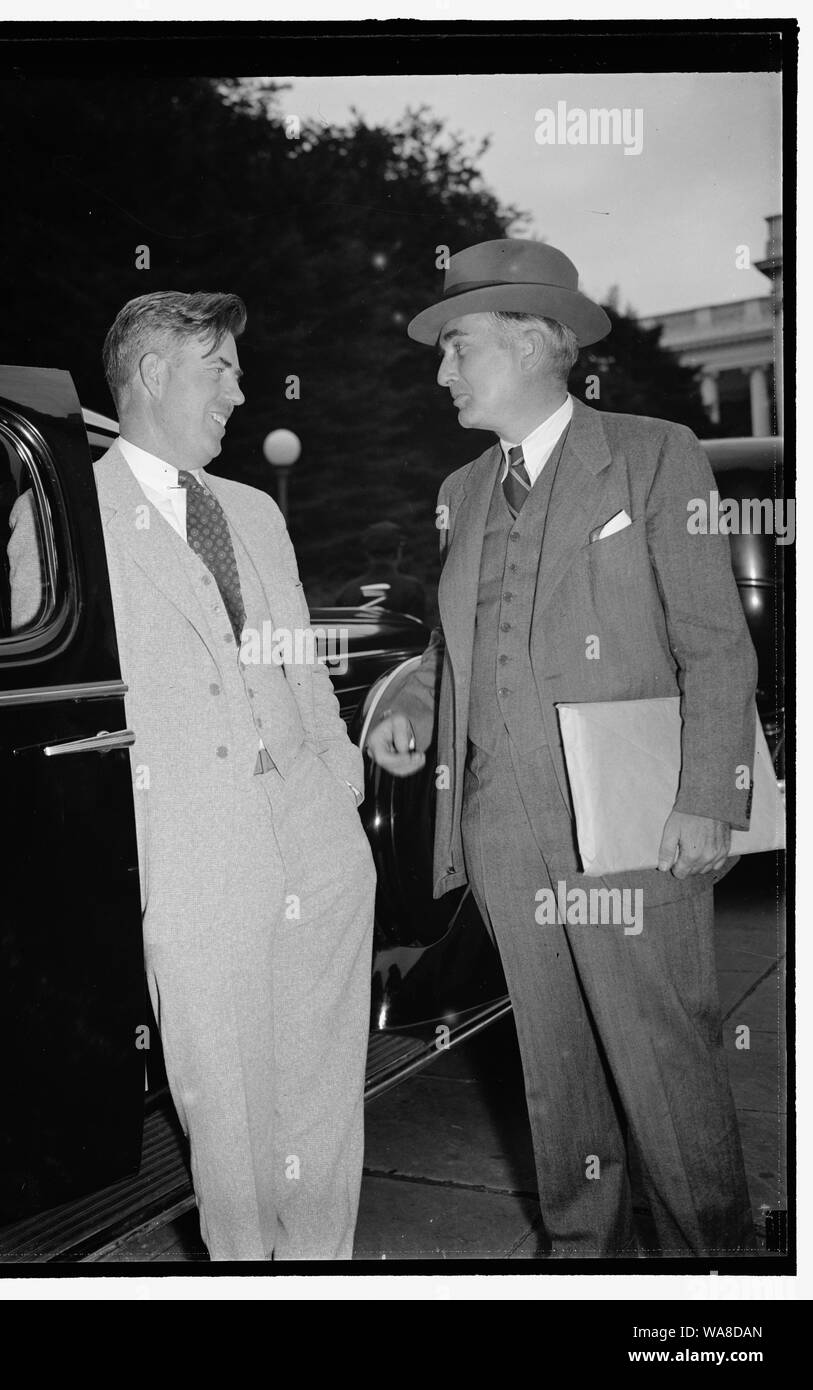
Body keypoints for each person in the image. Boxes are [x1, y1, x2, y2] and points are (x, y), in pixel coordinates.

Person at [367, 238, 758, 1257]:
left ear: (538, 341)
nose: (440, 368)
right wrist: (420, 708)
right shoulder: (458, 489)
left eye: (457, 345)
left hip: (631, 817)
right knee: (553, 1067)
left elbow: (714, 642)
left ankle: (714, 1273)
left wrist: (709, 793)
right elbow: (468, 647)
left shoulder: (650, 451)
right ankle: (584, 1258)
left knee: (661, 1063)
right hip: (505, 826)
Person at [83, 291, 374, 1260]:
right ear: (154, 372)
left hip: (314, 834)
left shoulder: (250, 509)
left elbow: (301, 663)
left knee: (322, 1103)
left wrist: (339, 783)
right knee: (231, 1116)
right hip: (196, 852)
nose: (241, 394)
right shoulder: (72, 515)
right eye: (221, 370)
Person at [337, 520, 428, 622]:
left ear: (367, 553)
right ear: (398, 552)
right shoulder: (412, 588)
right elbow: (419, 632)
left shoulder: (349, 591)